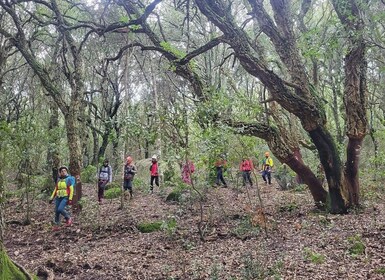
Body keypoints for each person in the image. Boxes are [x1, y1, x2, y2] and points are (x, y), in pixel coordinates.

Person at [49, 166, 74, 230]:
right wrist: (51, 198)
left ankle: (68, 218)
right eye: (62, 171)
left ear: (67, 172)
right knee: (56, 211)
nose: (63, 172)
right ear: (60, 172)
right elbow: (56, 189)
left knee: (60, 209)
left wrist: (70, 198)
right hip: (58, 197)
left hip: (65, 197)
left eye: (65, 171)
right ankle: (56, 225)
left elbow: (71, 189)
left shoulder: (69, 179)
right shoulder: (59, 180)